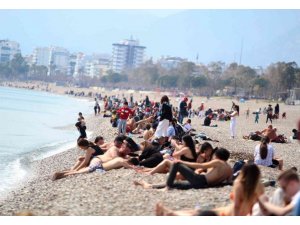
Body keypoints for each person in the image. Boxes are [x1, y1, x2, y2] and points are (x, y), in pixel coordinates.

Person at [155, 164, 264, 216]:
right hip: (231, 211)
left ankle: (170, 213)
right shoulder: (259, 187)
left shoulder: (239, 184)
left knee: (198, 214)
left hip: (227, 214)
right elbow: (260, 205)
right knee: (198, 211)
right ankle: (170, 212)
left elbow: (236, 206)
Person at [134, 148, 232, 190]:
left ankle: (167, 188)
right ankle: (150, 185)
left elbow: (200, 166)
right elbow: (228, 181)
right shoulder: (229, 168)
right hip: (203, 184)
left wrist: (182, 162)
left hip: (200, 180)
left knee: (176, 164)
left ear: (218, 156)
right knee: (176, 184)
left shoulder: (218, 162)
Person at [52, 136, 138, 180]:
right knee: (85, 171)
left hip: (99, 161)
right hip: (98, 160)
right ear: (122, 145)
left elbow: (125, 159)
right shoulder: (114, 149)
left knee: (83, 170)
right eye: (127, 149)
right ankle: (62, 175)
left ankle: (63, 173)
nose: (127, 152)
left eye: (129, 151)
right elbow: (116, 159)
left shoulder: (124, 154)